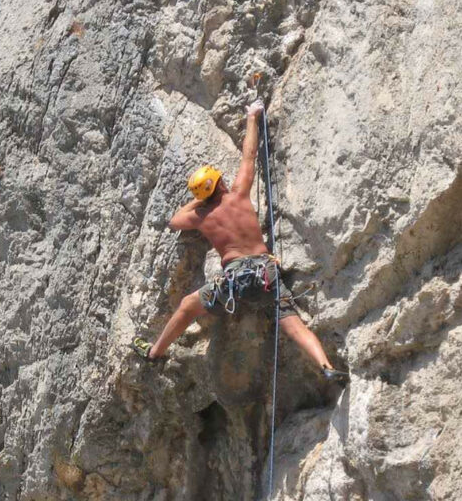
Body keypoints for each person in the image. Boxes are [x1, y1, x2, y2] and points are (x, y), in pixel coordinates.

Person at [131, 99, 347, 382]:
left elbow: (174, 221)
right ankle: (325, 365)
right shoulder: (239, 195)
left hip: (233, 284)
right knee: (294, 327)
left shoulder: (201, 217)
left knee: (187, 306)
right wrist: (252, 117)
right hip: (265, 275)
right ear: (220, 183)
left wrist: (197, 203)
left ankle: (155, 352)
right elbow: (249, 155)